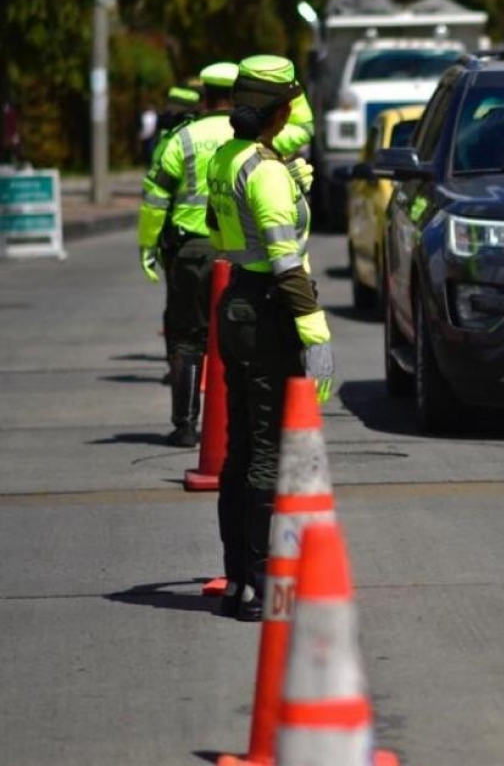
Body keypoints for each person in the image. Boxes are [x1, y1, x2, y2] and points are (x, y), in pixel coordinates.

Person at [206, 55, 334, 621]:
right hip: (267, 310)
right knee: (265, 452)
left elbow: (220, 228)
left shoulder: (227, 159)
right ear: (279, 112)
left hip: (235, 302)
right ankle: (258, 581)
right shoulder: (265, 170)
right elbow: (287, 263)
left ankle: (238, 576)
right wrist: (315, 331)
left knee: (238, 450)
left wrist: (290, 183)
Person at [137, 65, 237, 447]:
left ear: (205, 97)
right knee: (239, 339)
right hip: (240, 253)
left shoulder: (183, 139)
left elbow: (155, 197)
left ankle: (186, 426)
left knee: (186, 339)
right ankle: (234, 424)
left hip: (191, 253)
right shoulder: (252, 139)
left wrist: (148, 245)